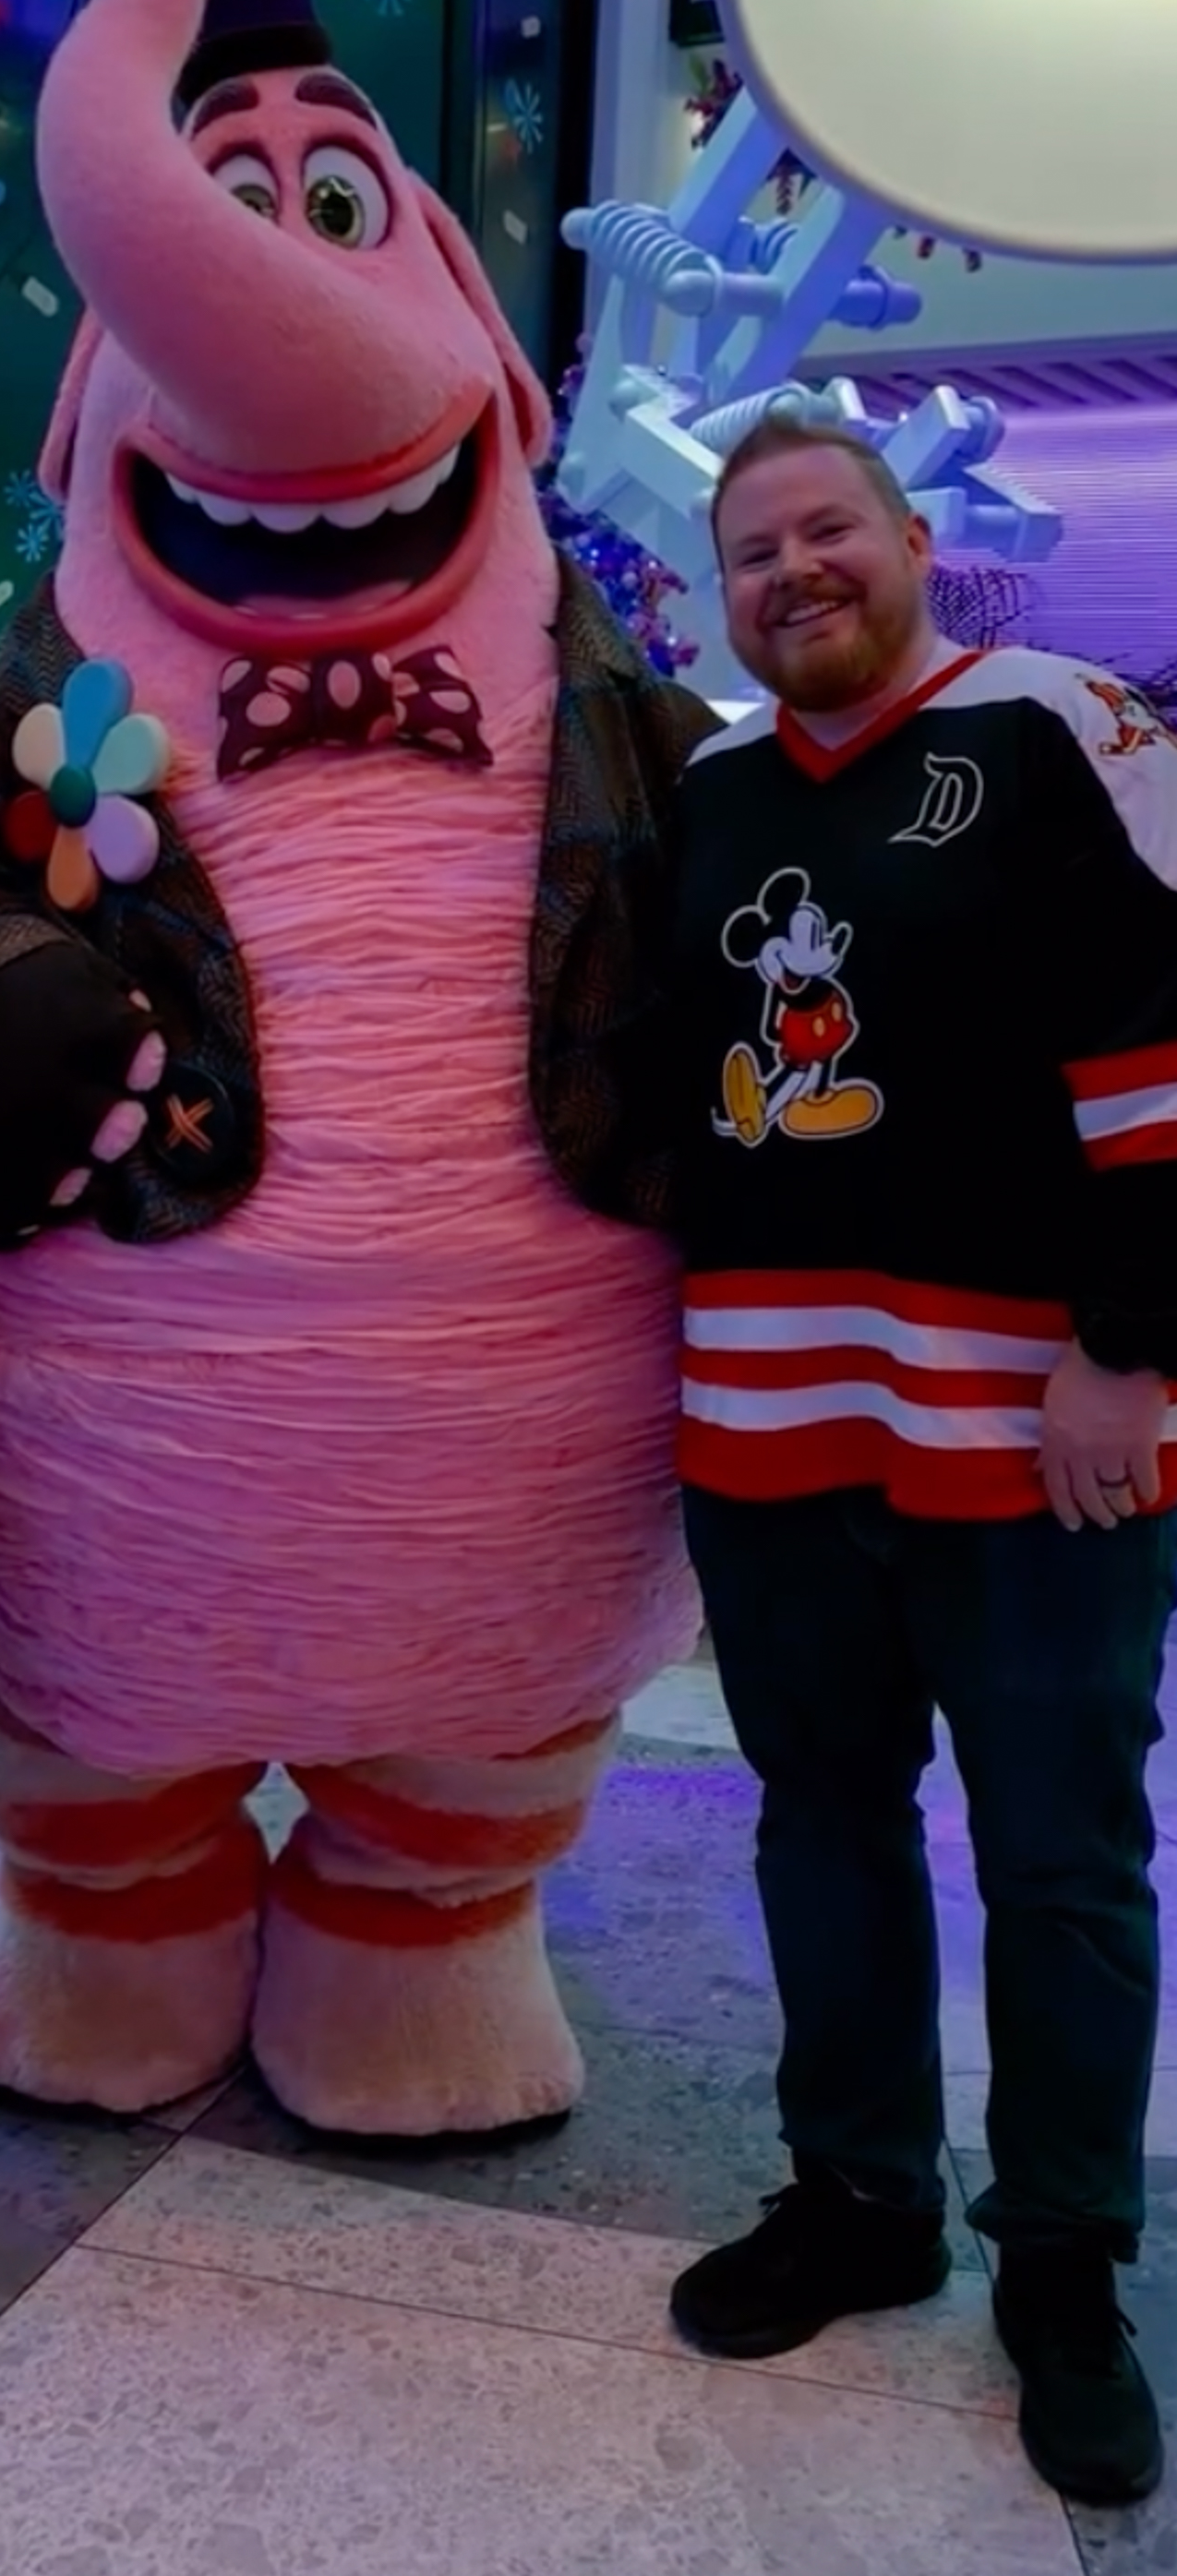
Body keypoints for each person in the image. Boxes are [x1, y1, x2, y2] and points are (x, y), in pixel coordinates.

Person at [664, 410, 1177, 2509]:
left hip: (1030, 1424)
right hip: (768, 1415)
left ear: (906, 538)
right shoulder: (706, 788)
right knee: (821, 1819)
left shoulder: (1061, 726)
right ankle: (859, 2190)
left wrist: (1128, 1350)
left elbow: (1159, 1057)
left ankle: (1062, 2262)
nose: (791, 570)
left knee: (1059, 1855)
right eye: (750, 548)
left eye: (825, 530)